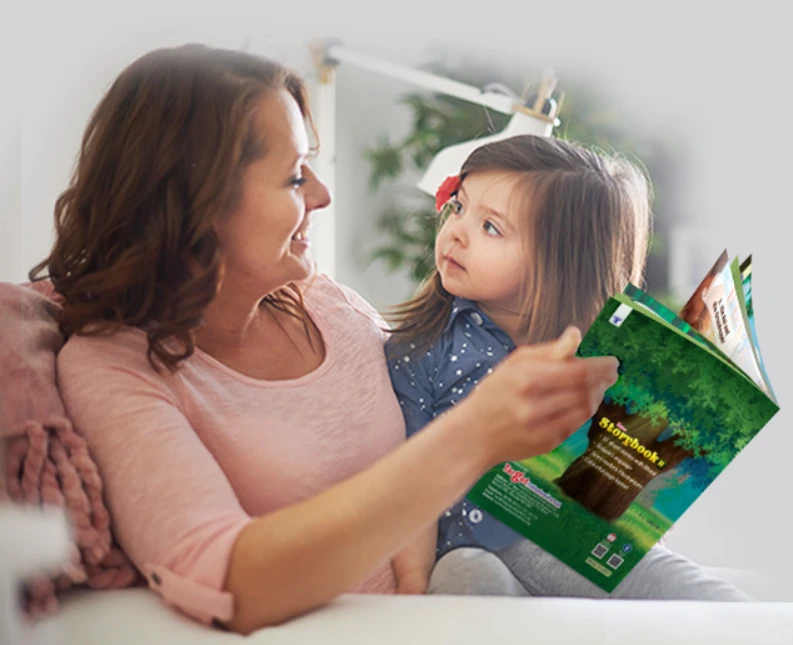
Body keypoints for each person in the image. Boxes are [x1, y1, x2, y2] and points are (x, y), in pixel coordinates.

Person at [30, 44, 621, 634]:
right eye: (293, 175)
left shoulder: (327, 304)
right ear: (196, 205)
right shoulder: (115, 366)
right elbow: (227, 581)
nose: (322, 193)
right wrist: (469, 437)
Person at [386, 134, 750, 601]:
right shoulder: (424, 349)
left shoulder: (595, 354)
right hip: (473, 545)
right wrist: (410, 591)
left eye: (490, 228)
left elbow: (629, 489)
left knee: (677, 582)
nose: (455, 232)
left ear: (554, 262)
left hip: (570, 534)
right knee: (465, 573)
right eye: (458, 207)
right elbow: (407, 481)